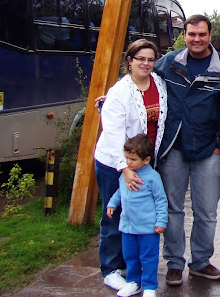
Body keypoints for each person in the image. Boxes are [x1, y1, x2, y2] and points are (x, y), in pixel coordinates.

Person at [154, 14, 220, 287]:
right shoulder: (168, 63)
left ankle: (201, 262)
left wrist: (219, 145)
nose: (196, 39)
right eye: (191, 34)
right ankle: (175, 263)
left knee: (206, 211)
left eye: (202, 34)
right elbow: (141, 80)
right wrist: (114, 95)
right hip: (174, 147)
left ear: (210, 36)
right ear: (185, 35)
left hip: (207, 150)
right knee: (172, 208)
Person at [94, 39, 167, 291]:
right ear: (130, 61)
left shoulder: (158, 82)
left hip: (143, 163)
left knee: (136, 214)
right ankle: (110, 269)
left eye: (150, 59)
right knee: (114, 213)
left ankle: (131, 269)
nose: (146, 64)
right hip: (114, 163)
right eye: (140, 59)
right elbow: (113, 133)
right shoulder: (120, 91)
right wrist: (124, 169)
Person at [107, 134, 168, 297]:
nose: (128, 162)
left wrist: (161, 221)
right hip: (128, 227)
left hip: (148, 229)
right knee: (130, 257)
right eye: (126, 158)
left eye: (132, 159)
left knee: (148, 258)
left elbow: (161, 200)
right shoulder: (125, 174)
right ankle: (133, 282)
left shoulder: (153, 178)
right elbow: (120, 191)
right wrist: (112, 203)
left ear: (146, 160)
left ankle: (149, 286)